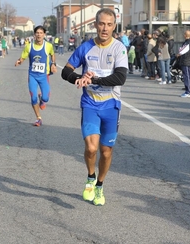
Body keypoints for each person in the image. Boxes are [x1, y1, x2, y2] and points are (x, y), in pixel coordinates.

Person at [61, 8, 128, 206]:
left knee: (106, 151)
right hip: (90, 103)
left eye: (109, 24)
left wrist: (95, 79)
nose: (105, 28)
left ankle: (99, 185)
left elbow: (120, 77)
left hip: (111, 104)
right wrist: (79, 78)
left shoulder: (119, 48)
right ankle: (91, 177)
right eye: (101, 24)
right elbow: (66, 71)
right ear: (95, 25)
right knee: (91, 148)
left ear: (114, 26)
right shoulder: (85, 47)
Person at [15, 25, 56, 126]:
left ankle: (42, 98)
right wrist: (19, 61)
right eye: (37, 33)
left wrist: (53, 64)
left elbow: (52, 54)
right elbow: (23, 57)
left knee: (46, 98)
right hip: (32, 75)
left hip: (44, 76)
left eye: (41, 33)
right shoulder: (29, 46)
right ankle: (38, 118)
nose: (39, 35)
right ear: (34, 34)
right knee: (33, 98)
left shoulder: (48, 46)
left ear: (44, 35)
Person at [178, 30, 190, 97]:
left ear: (186, 35)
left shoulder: (187, 43)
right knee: (189, 76)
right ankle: (188, 90)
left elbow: (181, 51)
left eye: (184, 34)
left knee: (187, 76)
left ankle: (188, 91)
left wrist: (179, 53)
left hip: (186, 61)